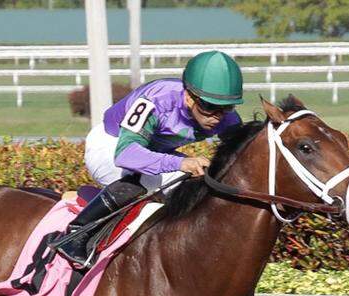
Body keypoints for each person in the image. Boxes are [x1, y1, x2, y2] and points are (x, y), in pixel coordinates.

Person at [52, 50, 245, 266]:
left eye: (226, 108)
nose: (217, 117)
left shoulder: (227, 119)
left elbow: (243, 152)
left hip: (151, 151)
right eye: (209, 107)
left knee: (201, 186)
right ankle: (76, 234)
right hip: (111, 145)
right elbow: (126, 154)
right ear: (189, 96)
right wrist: (181, 162)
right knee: (147, 181)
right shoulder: (156, 99)